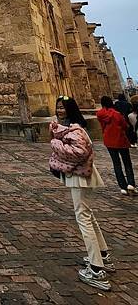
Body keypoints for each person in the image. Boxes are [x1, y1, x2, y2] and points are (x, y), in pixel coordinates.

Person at [49, 96, 112, 292]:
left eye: (63, 107)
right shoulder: (72, 126)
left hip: (80, 176)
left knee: (83, 217)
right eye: (58, 107)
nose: (60, 110)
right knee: (88, 215)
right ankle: (103, 255)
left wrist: (54, 142)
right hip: (84, 174)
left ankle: (96, 269)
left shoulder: (75, 129)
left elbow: (78, 152)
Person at [97, 96, 136, 195]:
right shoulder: (117, 114)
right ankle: (131, 184)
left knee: (116, 164)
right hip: (120, 140)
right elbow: (125, 126)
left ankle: (122, 187)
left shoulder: (100, 114)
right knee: (127, 162)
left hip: (109, 141)